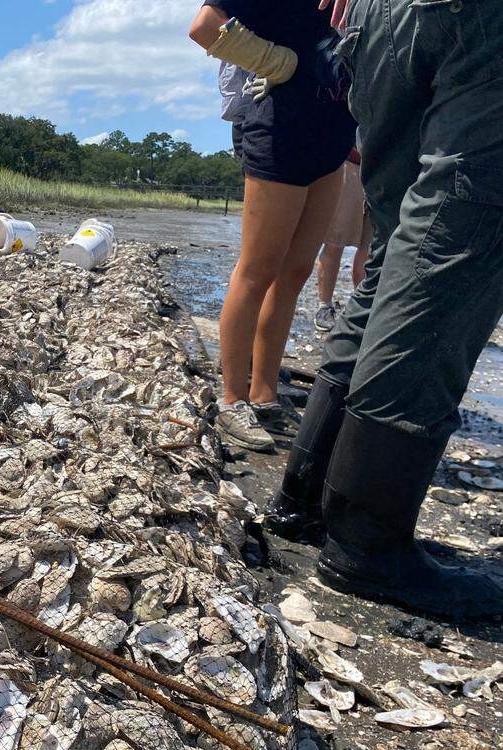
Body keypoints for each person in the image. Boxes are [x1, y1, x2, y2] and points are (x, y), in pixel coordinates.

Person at [267, 0, 503, 618]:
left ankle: (308, 495)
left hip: (378, 19)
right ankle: (366, 538)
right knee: (453, 232)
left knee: (400, 241)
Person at [189, 0, 356, 454]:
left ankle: (264, 394)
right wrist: (276, 62)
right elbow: (204, 27)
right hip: (279, 129)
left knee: (297, 270)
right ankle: (231, 399)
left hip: (334, 133)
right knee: (258, 269)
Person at [313, 145, 372, 332]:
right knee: (334, 241)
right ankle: (324, 305)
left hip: (381, 167)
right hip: (350, 163)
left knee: (370, 248)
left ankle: (363, 306)